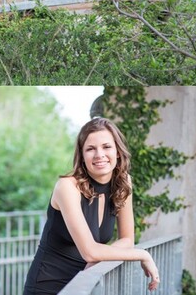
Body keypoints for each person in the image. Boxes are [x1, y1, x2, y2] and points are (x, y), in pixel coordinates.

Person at [23, 118, 161, 294]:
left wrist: (99, 256)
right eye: (90, 149)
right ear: (82, 155)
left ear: (118, 151)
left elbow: (127, 239)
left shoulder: (123, 182)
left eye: (106, 147)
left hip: (85, 285)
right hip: (48, 287)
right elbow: (89, 252)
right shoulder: (67, 187)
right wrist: (142, 254)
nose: (99, 155)